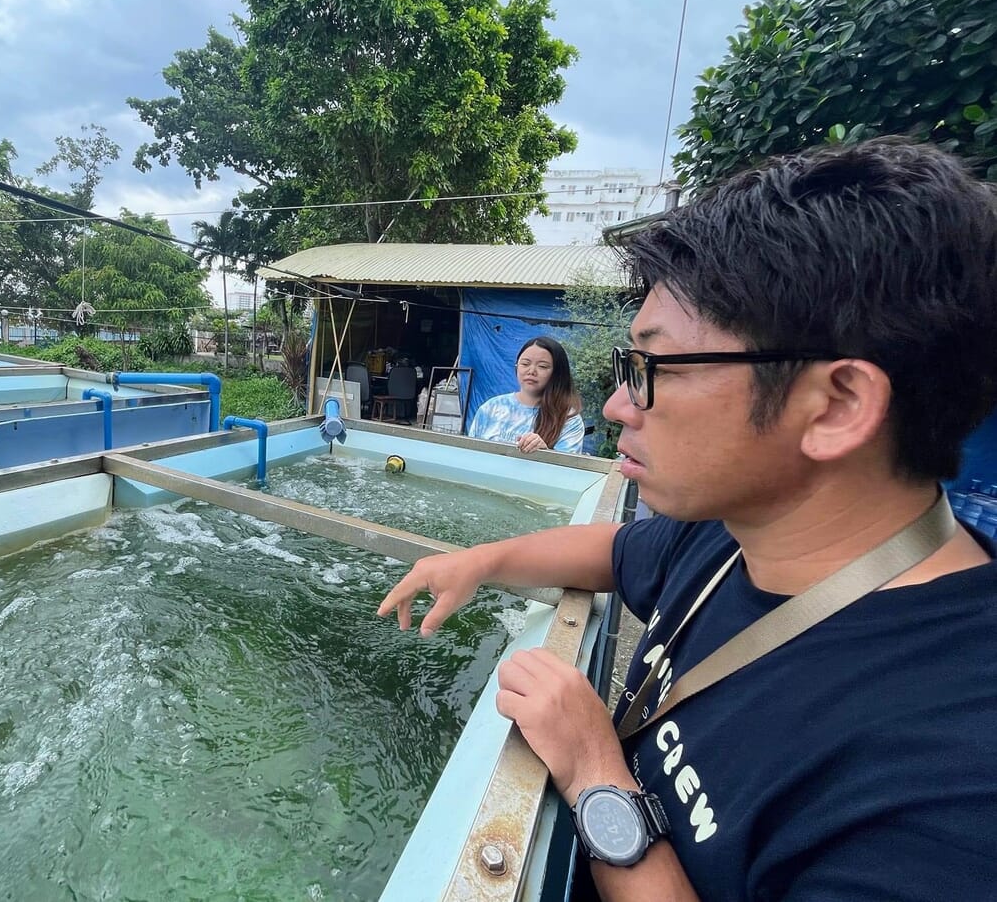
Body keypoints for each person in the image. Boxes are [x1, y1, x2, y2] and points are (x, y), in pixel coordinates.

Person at [377, 138, 997, 900]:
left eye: (648, 369)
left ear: (834, 406)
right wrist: (480, 561)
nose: (613, 406)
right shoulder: (736, 530)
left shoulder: (953, 785)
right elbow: (613, 547)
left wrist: (598, 777)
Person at [468, 336, 586, 454]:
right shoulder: (491, 408)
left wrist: (545, 453)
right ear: (516, 366)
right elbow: (470, 455)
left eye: (542, 366)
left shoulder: (569, 419)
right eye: (525, 364)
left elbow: (567, 469)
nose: (531, 371)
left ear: (557, 373)